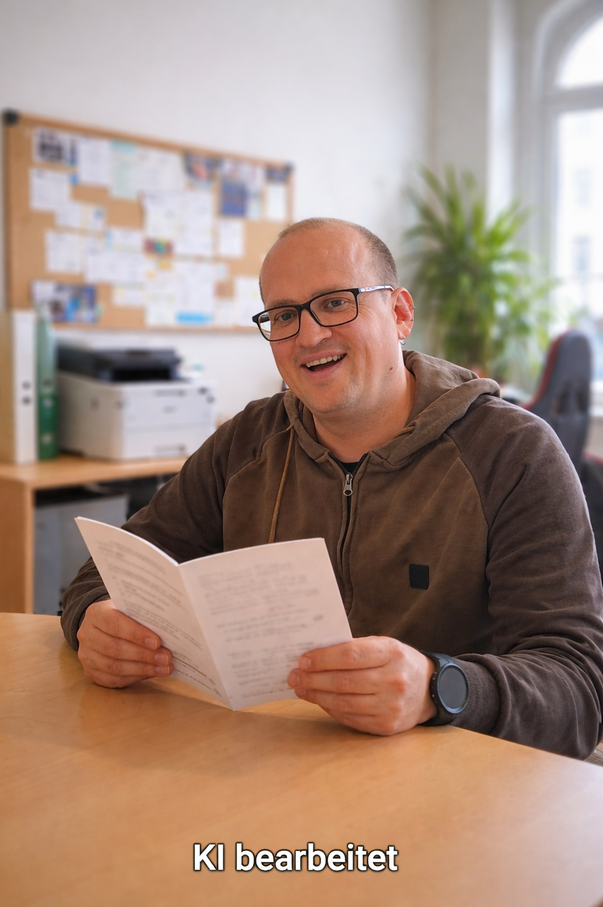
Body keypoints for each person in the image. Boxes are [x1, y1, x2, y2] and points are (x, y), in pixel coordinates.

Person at [62, 217, 603, 759]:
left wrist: (437, 689)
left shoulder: (513, 453)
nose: (310, 335)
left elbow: (579, 688)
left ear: (399, 313)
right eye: (283, 315)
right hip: (266, 766)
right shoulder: (247, 442)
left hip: (453, 790)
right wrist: (95, 620)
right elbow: (102, 574)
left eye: (336, 302)